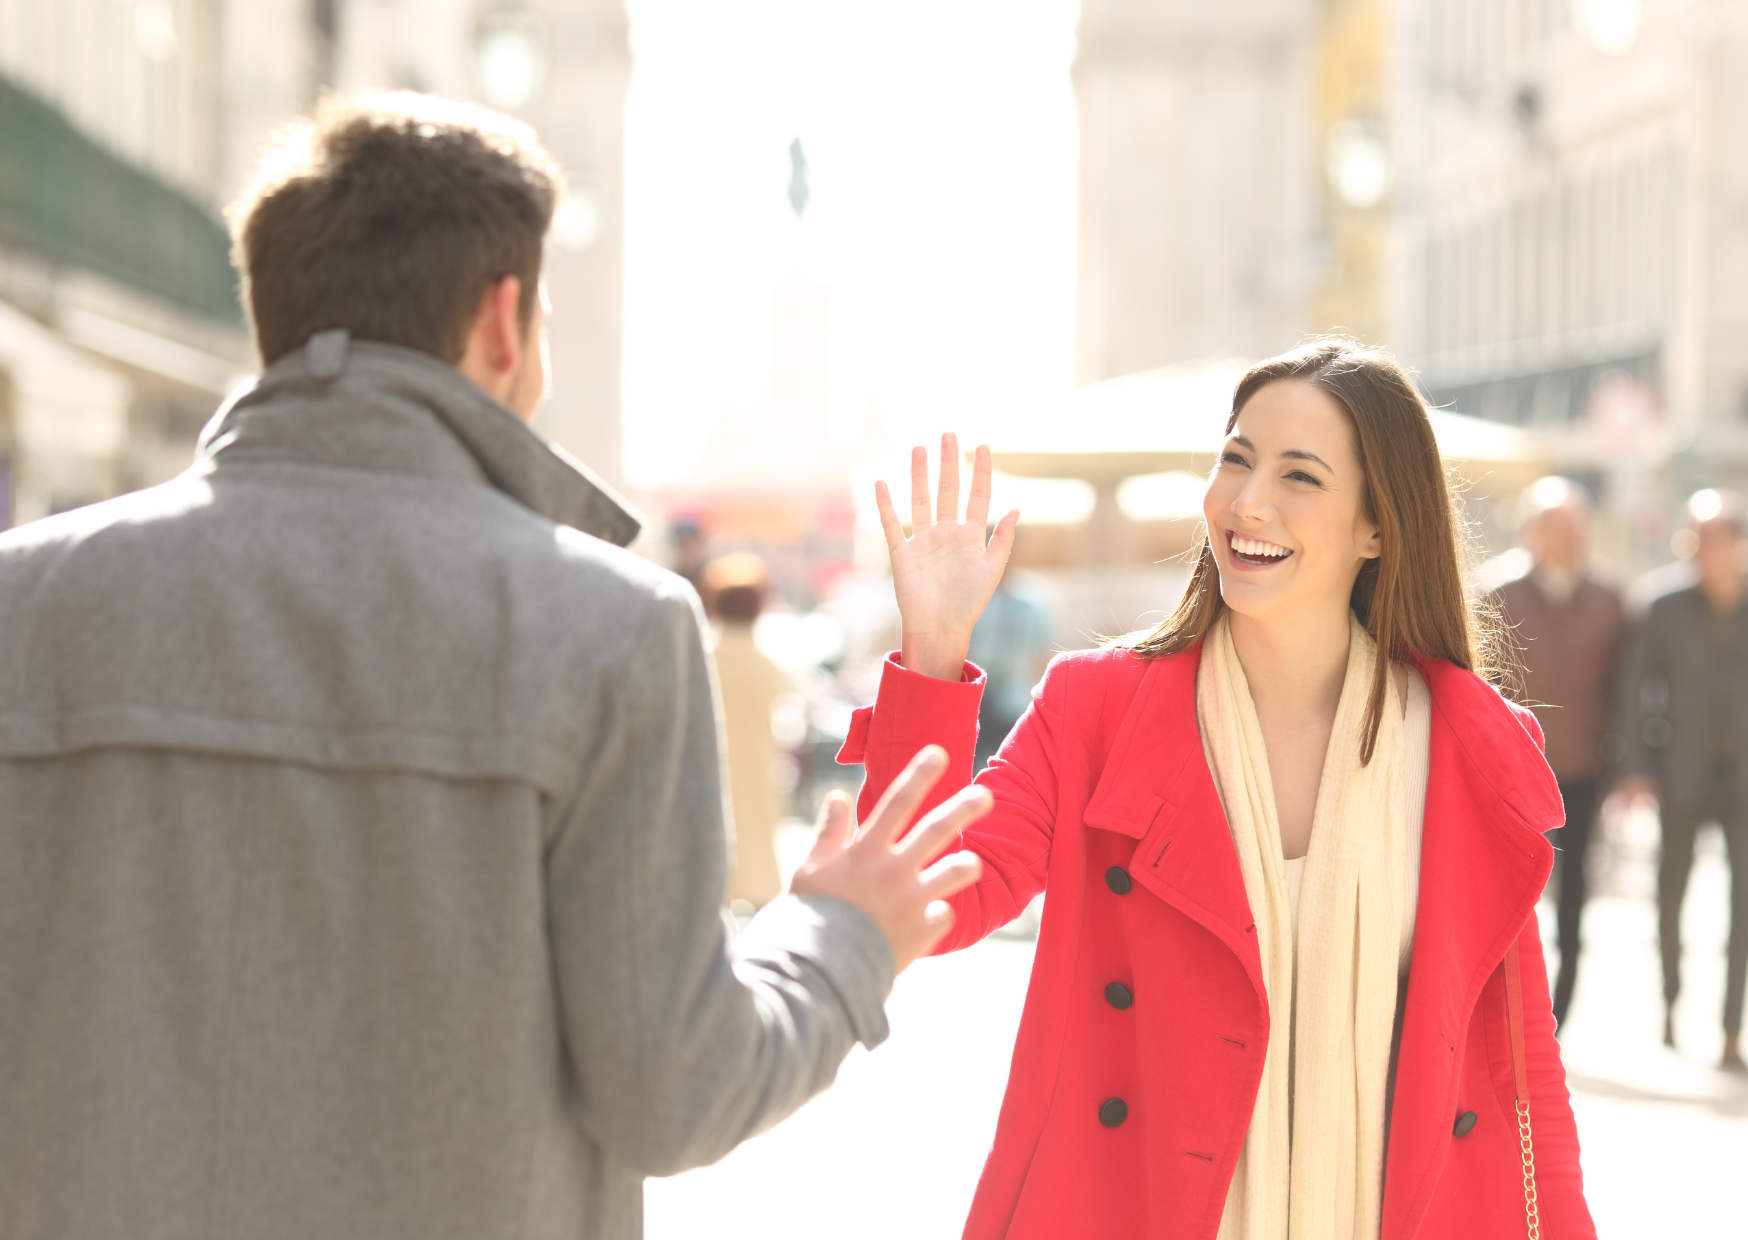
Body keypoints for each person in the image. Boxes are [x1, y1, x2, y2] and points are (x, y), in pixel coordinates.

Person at [0, 93, 989, 1238]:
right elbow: (674, 1091)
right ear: (503, 322)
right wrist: (840, 939)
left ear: (271, 306)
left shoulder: (26, 601)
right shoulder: (606, 629)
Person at [840, 339, 1594, 1239]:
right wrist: (931, 649)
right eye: (1235, 457)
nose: (1247, 500)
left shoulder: (1470, 744)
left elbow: (1523, 1070)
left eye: (1299, 475)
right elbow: (922, 901)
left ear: (1378, 527)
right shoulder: (1099, 711)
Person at [1618, 487, 1748, 1071]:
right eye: (1691, 536)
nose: (1697, 548)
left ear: (1737, 545)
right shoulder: (1661, 604)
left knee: (1742, 907)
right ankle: (1670, 1008)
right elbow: (1632, 693)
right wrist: (1638, 769)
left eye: (1710, 537)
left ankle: (1729, 1031)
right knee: (1671, 896)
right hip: (1681, 774)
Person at [1491, 477, 1626, 1031]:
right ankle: (1505, 1014)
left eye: (1576, 527)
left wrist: (1622, 770)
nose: (1568, 538)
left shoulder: (1610, 600)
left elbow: (1624, 690)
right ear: (1532, 532)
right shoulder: (1495, 595)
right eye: (1556, 527)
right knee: (1509, 901)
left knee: (1573, 907)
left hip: (1583, 773)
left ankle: (1555, 1022)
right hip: (1515, 776)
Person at [707, 552, 789, 908]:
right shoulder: (767, 665)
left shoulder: (704, 657)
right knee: (757, 843)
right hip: (758, 766)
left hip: (712, 767)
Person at [965, 569, 1052, 770]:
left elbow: (1040, 656)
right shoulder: (970, 602)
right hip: (976, 703)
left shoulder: (1030, 604)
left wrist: (1040, 705)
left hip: (1013, 702)